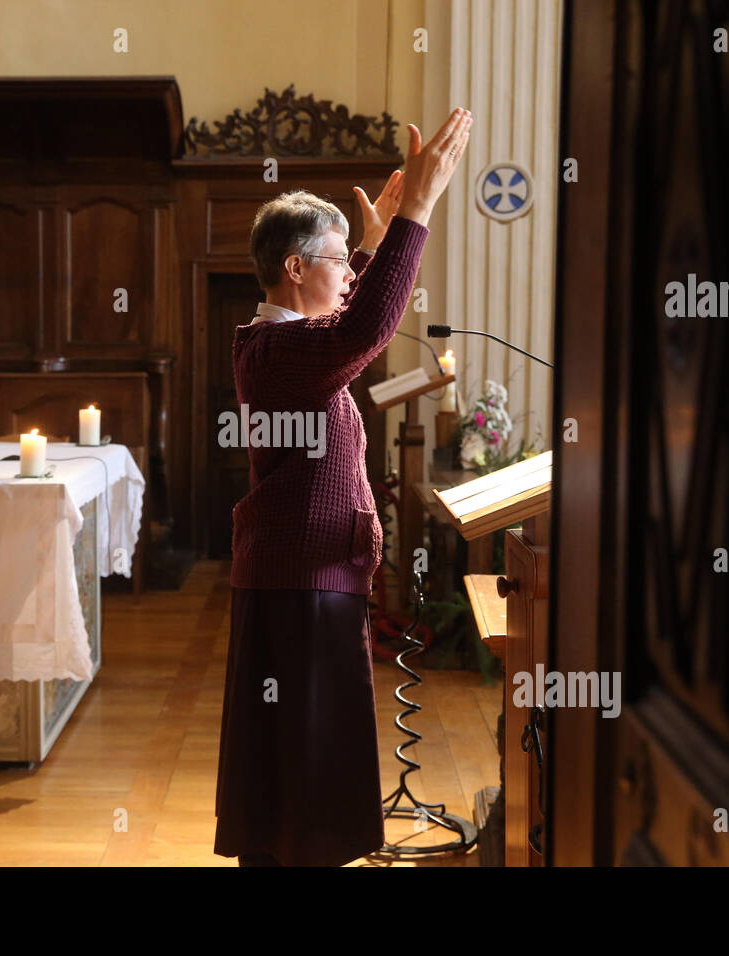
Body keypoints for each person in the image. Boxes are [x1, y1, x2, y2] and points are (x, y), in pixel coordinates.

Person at [214, 107, 474, 867]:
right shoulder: (277, 351)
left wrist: (366, 243)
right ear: (294, 268)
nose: (353, 275)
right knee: (306, 765)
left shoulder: (287, 344)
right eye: (337, 261)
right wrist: (415, 216)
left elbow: (350, 318)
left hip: (312, 584)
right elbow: (365, 330)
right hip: (300, 587)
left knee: (307, 763)